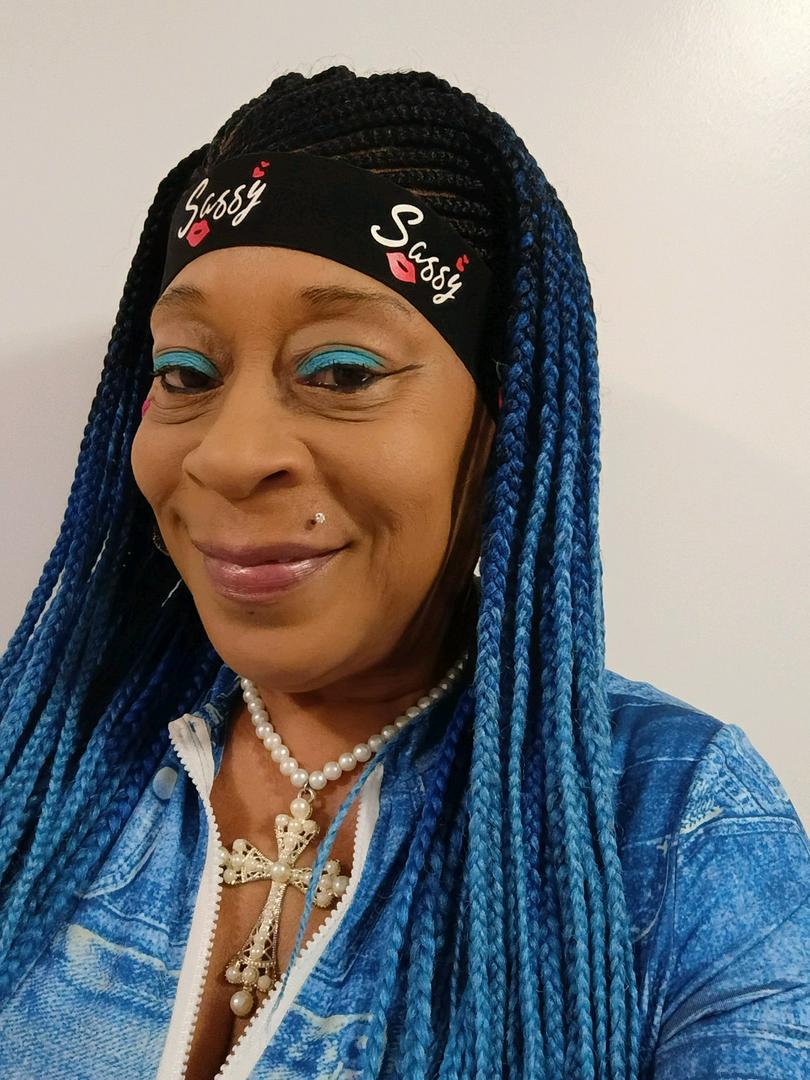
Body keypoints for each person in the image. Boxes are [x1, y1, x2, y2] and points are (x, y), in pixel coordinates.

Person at [0, 65, 807, 1080]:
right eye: (186, 374)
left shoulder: (676, 823)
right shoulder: (34, 751)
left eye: (341, 372)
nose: (229, 455)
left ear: (505, 425)